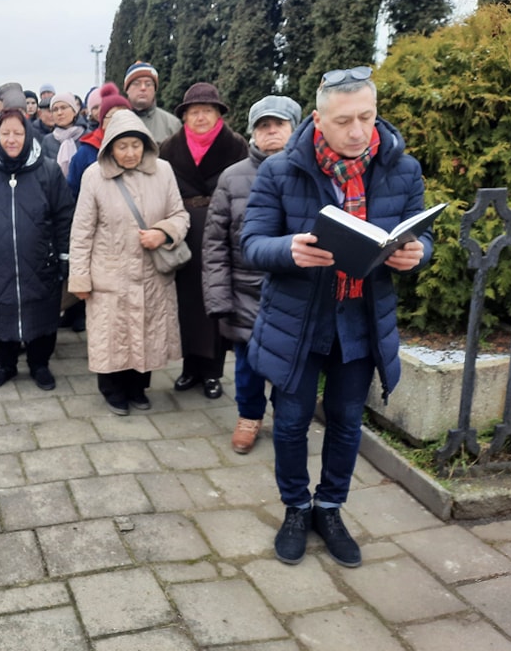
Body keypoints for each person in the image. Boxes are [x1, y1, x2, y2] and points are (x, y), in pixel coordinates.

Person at [241, 66, 431, 568]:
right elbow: (252, 242)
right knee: (291, 423)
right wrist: (289, 249)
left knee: (348, 422)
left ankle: (330, 507)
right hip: (298, 321)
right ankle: (296, 509)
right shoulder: (280, 170)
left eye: (367, 117)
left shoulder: (402, 169)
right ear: (318, 121)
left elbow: (419, 233)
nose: (357, 131)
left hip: (361, 320)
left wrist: (418, 253)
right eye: (344, 120)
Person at [68, 110, 189, 414]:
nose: (130, 153)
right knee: (113, 336)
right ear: (110, 147)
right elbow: (82, 231)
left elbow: (180, 214)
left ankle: (138, 388)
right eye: (122, 147)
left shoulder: (163, 172)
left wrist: (163, 233)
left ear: (146, 144)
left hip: (151, 273)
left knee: (146, 333)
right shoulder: (94, 176)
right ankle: (112, 390)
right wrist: (80, 279)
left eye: (136, 145)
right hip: (109, 274)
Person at [201, 95, 302, 454]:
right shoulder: (233, 177)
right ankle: (249, 415)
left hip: (296, 291)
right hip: (246, 290)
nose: (271, 131)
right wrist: (218, 297)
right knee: (247, 365)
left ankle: (288, 421)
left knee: (293, 365)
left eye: (279, 124)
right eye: (263, 125)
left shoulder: (311, 173)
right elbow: (214, 243)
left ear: (295, 128)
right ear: (253, 133)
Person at [0, 107, 75, 390]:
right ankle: (5, 365)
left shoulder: (48, 169)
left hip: (41, 259)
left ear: (27, 135)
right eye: (5, 133)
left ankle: (39, 364)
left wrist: (65, 254)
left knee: (43, 314)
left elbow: (64, 214)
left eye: (18, 133)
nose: (11, 139)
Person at [159, 82, 248, 400]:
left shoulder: (236, 145)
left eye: (206, 111)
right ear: (184, 116)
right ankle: (189, 368)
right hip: (185, 235)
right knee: (186, 303)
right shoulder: (169, 147)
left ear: (218, 114)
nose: (200, 117)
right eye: (194, 111)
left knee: (216, 300)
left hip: (220, 234)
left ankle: (212, 372)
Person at [67, 82, 132, 201]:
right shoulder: (85, 153)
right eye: (111, 116)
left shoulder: (141, 146)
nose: (118, 120)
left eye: (124, 114)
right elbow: (73, 192)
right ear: (102, 121)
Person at [123, 61, 182, 143]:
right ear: (127, 89)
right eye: (136, 83)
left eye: (148, 84)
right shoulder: (115, 121)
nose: (143, 88)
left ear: (155, 90)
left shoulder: (172, 124)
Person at [41, 92, 87, 177]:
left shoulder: (87, 136)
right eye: (55, 109)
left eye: (63, 108)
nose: (59, 113)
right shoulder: (48, 140)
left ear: (74, 111)